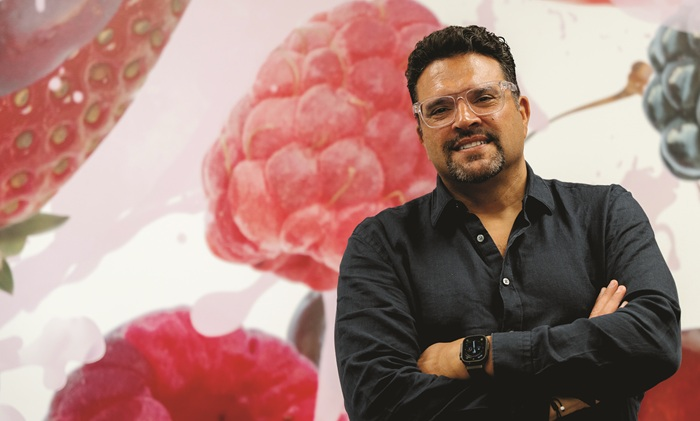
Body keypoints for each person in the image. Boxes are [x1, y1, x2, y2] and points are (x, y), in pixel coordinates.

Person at [334, 25, 681, 421]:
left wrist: (472, 355)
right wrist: (558, 400)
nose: (464, 119)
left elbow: (654, 337)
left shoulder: (605, 214)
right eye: (440, 109)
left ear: (522, 112)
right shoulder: (380, 245)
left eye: (484, 97)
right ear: (421, 134)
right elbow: (380, 401)